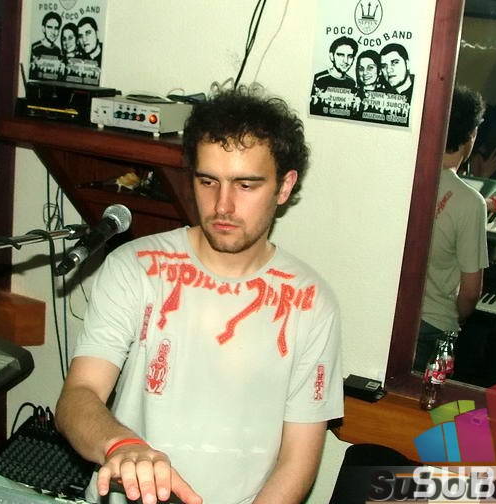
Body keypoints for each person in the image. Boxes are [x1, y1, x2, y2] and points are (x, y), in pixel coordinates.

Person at [55, 90, 344, 504]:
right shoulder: (134, 267)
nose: (222, 205)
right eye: (208, 182)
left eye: (245, 185)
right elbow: (78, 397)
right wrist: (120, 445)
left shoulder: (312, 303)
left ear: (284, 187)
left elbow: (297, 463)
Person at [415, 86, 489, 371]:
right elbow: (470, 292)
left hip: (392, 318)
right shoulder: (470, 203)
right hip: (435, 326)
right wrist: (458, 317)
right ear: (471, 135)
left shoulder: (408, 177)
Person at [309, 36, 360, 115]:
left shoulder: (352, 82)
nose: (346, 61)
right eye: (341, 55)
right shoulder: (318, 79)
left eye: (350, 56)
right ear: (331, 56)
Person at [30, 11, 62, 80]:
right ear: (43, 29)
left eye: (56, 28)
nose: (53, 32)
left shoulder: (58, 51)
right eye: (49, 27)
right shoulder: (34, 48)